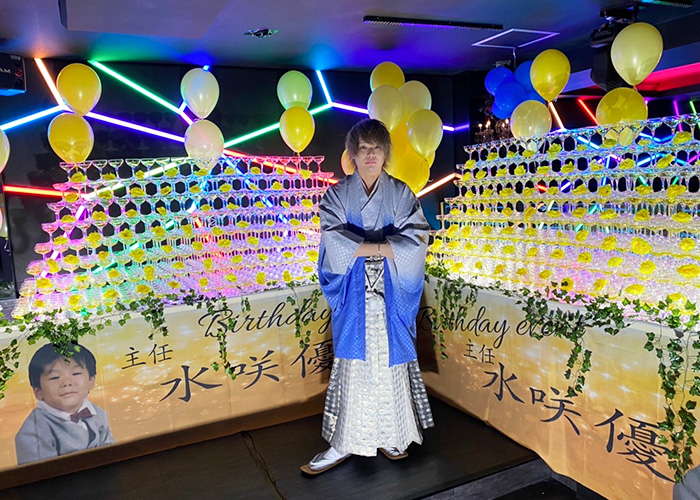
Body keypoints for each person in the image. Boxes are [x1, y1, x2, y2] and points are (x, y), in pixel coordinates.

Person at [301, 119, 433, 475]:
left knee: (390, 363)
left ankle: (393, 434)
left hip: (392, 290)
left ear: (385, 153)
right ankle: (344, 441)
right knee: (355, 367)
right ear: (353, 155)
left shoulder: (401, 193)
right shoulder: (336, 195)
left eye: (377, 148)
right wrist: (385, 248)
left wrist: (364, 249)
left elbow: (419, 238)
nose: (371, 155)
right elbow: (332, 239)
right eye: (364, 148)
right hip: (354, 293)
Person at [15, 343, 114, 465]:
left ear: (91, 381)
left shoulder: (98, 413)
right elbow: (43, 473)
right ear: (38, 391)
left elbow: (112, 454)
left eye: (76, 373)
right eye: (55, 377)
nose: (67, 383)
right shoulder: (32, 433)